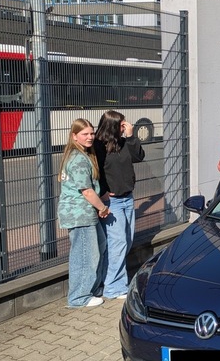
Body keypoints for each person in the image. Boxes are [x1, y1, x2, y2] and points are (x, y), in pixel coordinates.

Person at [58, 118, 110, 308]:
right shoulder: (79, 159)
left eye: (92, 133)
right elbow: (87, 191)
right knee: (85, 255)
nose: (90, 137)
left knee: (99, 246)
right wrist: (102, 208)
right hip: (79, 214)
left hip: (84, 213)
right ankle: (79, 297)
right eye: (85, 134)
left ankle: (93, 288)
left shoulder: (79, 154)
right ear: (74, 136)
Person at [93, 110, 145, 300]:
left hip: (127, 197)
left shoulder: (123, 143)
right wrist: (103, 192)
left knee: (126, 241)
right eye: (122, 124)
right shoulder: (98, 146)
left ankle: (109, 281)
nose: (125, 126)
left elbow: (138, 157)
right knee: (118, 243)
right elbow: (96, 171)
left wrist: (131, 137)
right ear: (113, 126)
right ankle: (114, 287)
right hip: (112, 201)